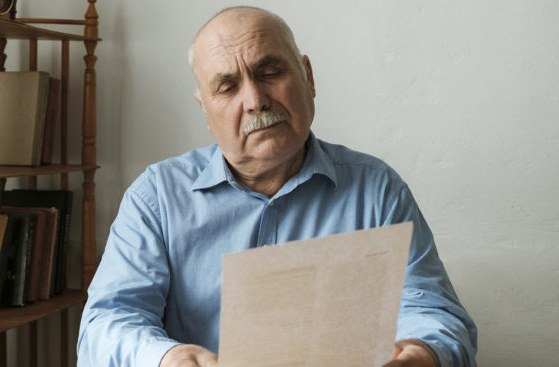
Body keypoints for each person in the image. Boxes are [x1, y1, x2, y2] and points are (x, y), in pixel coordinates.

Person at [77, 6, 477, 367]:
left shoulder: (377, 190)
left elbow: (433, 312)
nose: (255, 99)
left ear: (308, 77)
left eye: (269, 72)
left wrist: (422, 353)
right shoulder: (156, 198)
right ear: (205, 110)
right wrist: (167, 357)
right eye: (228, 87)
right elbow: (105, 324)